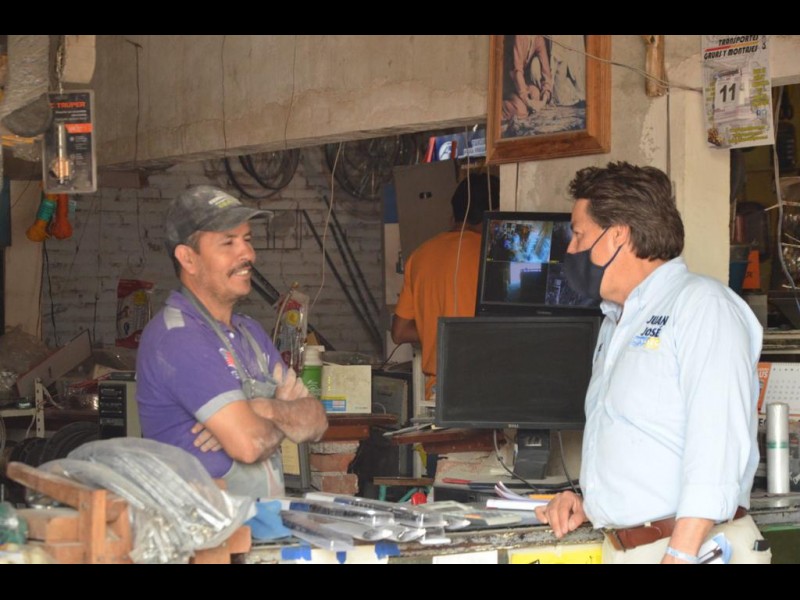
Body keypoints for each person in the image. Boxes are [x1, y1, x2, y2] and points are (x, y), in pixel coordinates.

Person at [535, 161, 771, 564]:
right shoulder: (618, 321)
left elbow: (717, 441)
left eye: (579, 235)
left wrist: (681, 553)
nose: (571, 250)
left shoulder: (702, 305)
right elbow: (646, 440)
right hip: (633, 548)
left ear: (618, 235)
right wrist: (591, 504)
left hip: (693, 549)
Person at [136, 185, 328, 499]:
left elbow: (316, 421)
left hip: (261, 520)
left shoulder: (250, 333)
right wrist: (284, 415)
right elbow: (249, 445)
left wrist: (262, 408)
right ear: (188, 258)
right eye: (228, 243)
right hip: (205, 526)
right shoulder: (179, 338)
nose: (248, 254)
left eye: (247, 240)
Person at [391, 173, 499, 402]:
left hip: (437, 394)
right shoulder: (492, 255)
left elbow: (399, 332)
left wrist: (434, 328)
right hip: (484, 389)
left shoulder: (420, 256)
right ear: (493, 213)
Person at [503, 35, 553, 121]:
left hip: (519, 83)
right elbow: (517, 71)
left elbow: (546, 73)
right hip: (506, 83)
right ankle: (499, 107)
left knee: (535, 94)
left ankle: (522, 105)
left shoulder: (538, 38)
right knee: (521, 111)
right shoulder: (519, 37)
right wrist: (527, 101)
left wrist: (544, 99)